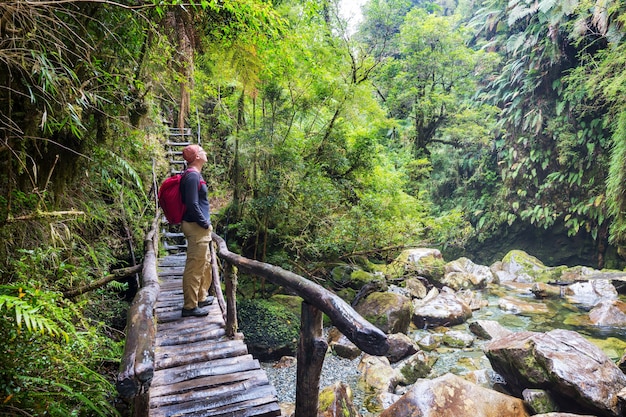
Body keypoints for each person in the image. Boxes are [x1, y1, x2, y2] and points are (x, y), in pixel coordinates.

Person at [180, 144, 214, 317]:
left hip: (198, 226)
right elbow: (192, 204)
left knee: (204, 263)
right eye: (202, 151)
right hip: (196, 226)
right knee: (194, 266)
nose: (205, 153)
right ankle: (189, 306)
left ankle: (201, 296)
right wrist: (205, 224)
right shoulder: (193, 176)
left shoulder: (194, 174)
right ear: (197, 157)